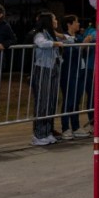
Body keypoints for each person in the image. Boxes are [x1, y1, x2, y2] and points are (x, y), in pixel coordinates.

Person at [30, 12, 65, 145]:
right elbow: (41, 43)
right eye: (54, 19)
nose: (56, 21)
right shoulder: (40, 34)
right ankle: (39, 134)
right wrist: (55, 43)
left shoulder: (52, 34)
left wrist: (59, 38)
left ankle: (47, 131)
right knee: (42, 101)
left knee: (51, 101)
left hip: (53, 68)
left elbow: (69, 39)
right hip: (43, 68)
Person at [59, 14, 91, 139]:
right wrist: (83, 44)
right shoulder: (64, 39)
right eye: (76, 22)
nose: (78, 24)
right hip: (69, 72)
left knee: (76, 100)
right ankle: (65, 128)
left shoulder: (77, 37)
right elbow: (71, 52)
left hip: (80, 71)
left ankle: (76, 126)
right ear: (69, 24)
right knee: (68, 100)